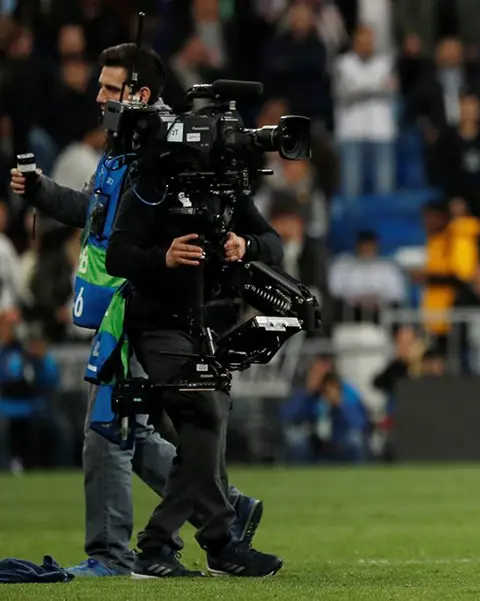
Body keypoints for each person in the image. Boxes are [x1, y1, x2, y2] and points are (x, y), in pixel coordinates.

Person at [8, 43, 264, 578]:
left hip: (146, 305)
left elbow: (155, 230)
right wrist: (41, 191)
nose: (97, 96)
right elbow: (98, 214)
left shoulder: (167, 149)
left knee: (110, 425)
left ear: (138, 93)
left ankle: (113, 552)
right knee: (140, 426)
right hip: (126, 302)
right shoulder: (126, 142)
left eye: (108, 86)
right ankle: (223, 506)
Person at [104, 101, 287, 577]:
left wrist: (245, 245)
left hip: (201, 323)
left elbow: (274, 242)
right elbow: (118, 254)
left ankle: (181, 544)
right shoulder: (153, 180)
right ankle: (202, 540)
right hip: (156, 323)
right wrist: (162, 256)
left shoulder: (227, 187)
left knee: (208, 425)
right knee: (204, 412)